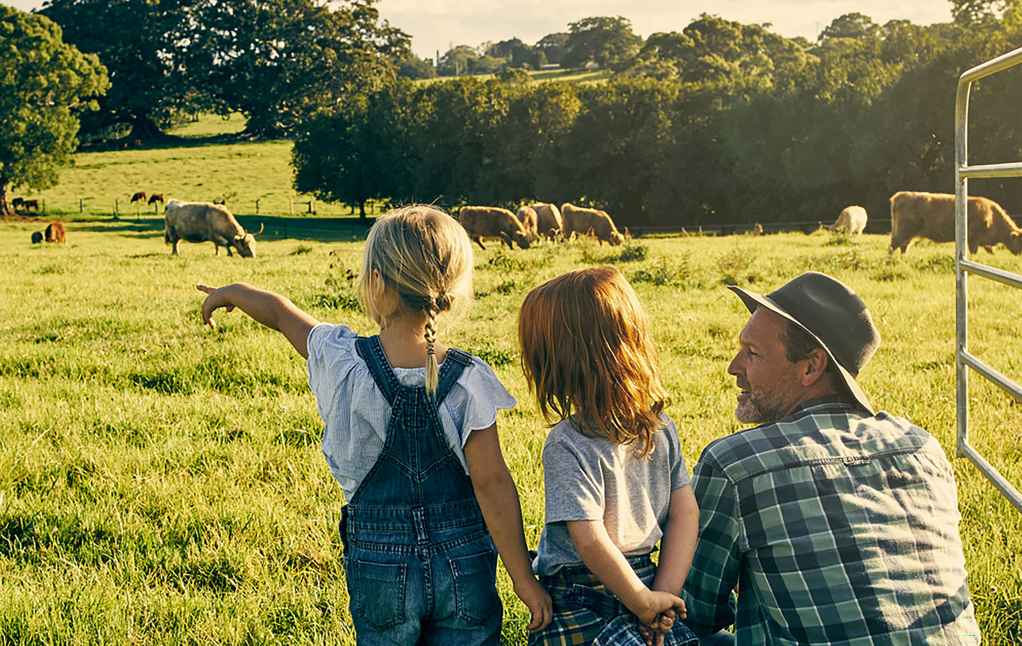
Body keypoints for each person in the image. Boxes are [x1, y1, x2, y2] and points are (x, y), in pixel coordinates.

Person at [197, 206, 552, 644]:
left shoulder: (343, 360)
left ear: (377, 283)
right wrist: (522, 577)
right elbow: (493, 483)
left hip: (379, 565)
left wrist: (232, 291)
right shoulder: (469, 379)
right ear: (451, 291)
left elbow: (280, 313)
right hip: (464, 564)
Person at [683, 271, 982, 645]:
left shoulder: (735, 465)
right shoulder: (921, 448)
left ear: (810, 367)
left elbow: (693, 611)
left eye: (752, 353)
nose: (733, 366)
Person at [518, 267, 700, 646]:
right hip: (646, 579)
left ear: (558, 363)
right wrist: (661, 596)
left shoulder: (568, 443)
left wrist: (646, 601)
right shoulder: (660, 427)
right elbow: (686, 513)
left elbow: (589, 541)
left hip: (582, 600)